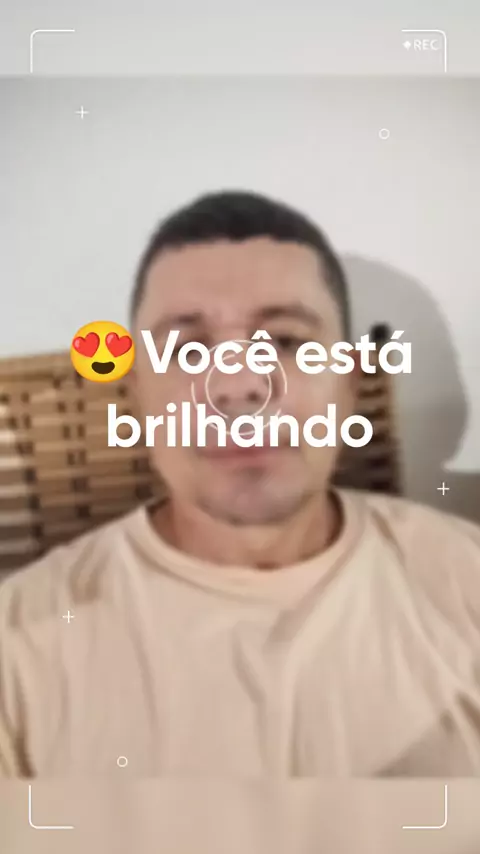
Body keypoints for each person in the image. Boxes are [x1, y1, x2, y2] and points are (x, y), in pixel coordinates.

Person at [1, 190, 480, 778]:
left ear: (348, 385)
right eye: (186, 350)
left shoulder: (465, 580)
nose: (236, 386)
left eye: (285, 341)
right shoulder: (17, 649)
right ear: (137, 395)